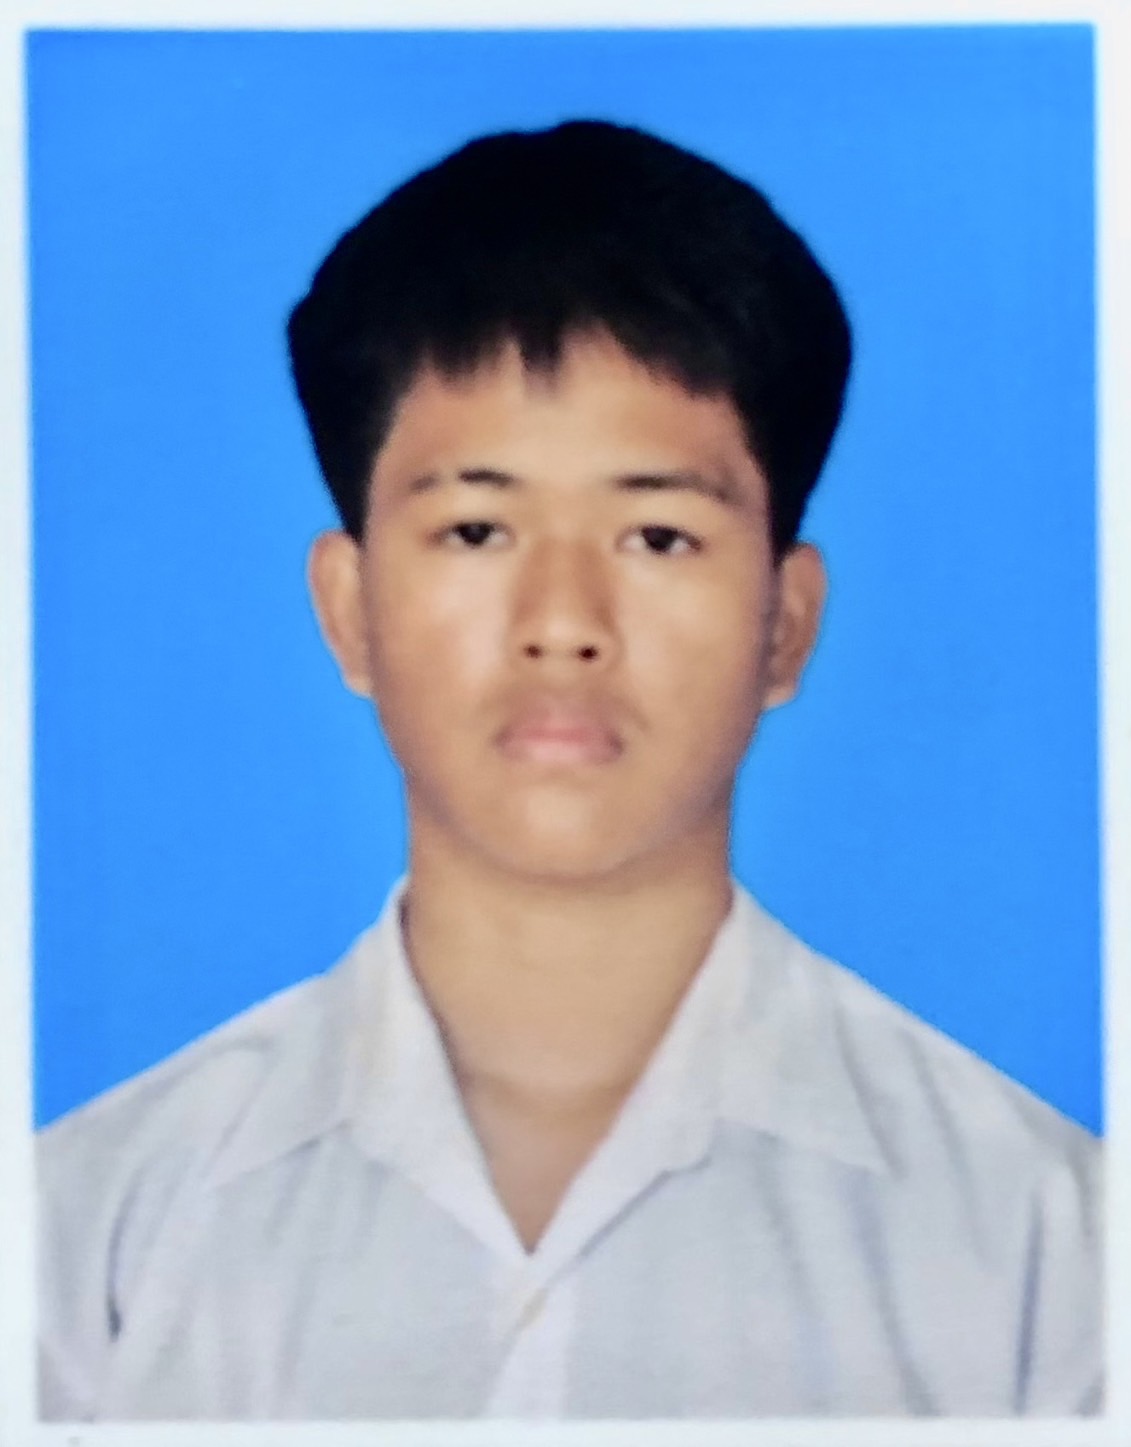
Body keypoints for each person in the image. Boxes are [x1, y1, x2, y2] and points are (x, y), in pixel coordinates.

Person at [37, 119, 1101, 1421]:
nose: (562, 621)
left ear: (785, 623)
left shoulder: (1049, 1250)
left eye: (657, 536)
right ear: (350, 610)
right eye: (476, 529)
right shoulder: (85, 1239)